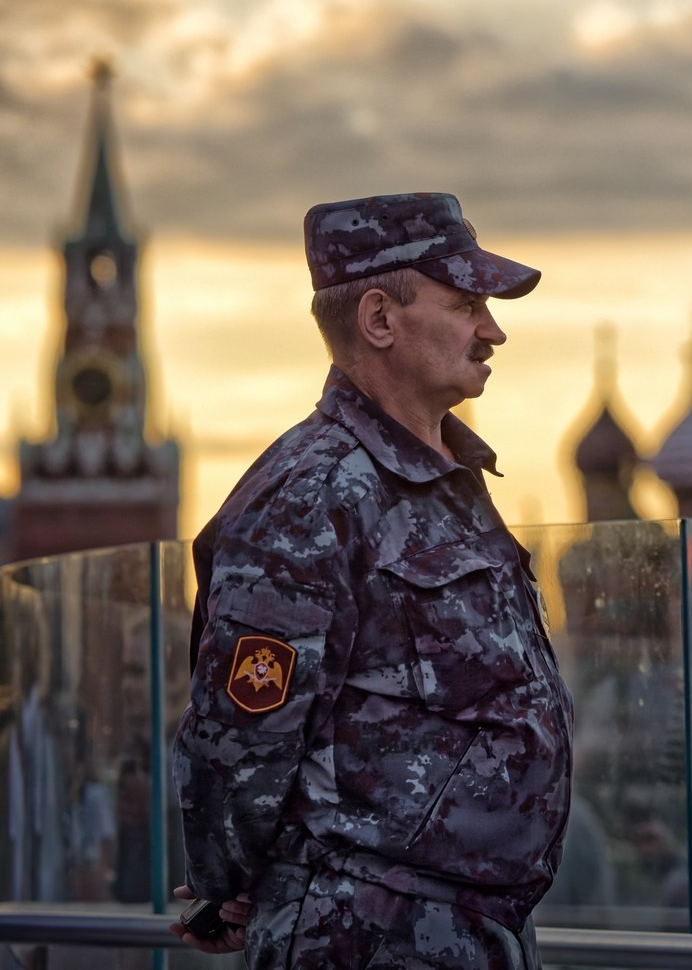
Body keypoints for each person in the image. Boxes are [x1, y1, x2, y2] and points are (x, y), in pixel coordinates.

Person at [171, 192, 573, 968]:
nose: (492, 330)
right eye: (464, 304)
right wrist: (232, 886)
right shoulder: (310, 494)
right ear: (380, 321)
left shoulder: (442, 480)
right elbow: (238, 735)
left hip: (470, 933)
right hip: (363, 935)